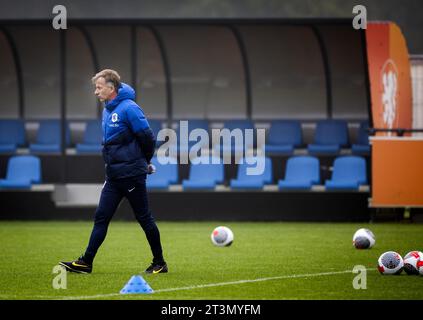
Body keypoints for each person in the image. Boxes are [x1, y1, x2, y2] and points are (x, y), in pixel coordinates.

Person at [60, 69, 167, 274]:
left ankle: (160, 262)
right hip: (114, 175)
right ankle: (86, 262)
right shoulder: (107, 110)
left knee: (144, 218)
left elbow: (148, 138)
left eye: (99, 87)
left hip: (131, 175)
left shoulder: (130, 108)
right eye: (95, 88)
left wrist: (143, 162)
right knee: (101, 217)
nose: (96, 92)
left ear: (111, 88)